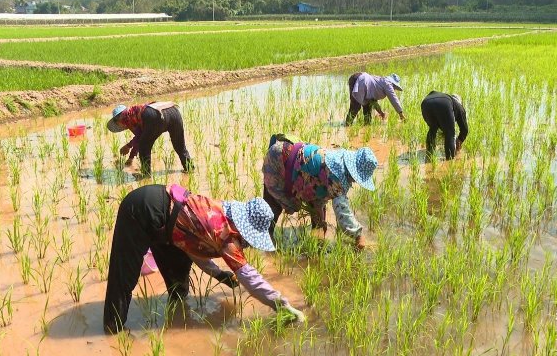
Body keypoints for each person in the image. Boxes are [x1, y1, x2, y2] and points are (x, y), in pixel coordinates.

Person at [103, 184, 305, 334]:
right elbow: (249, 278)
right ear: (244, 229)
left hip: (168, 226)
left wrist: (218, 274)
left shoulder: (223, 212)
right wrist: (281, 303)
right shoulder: (225, 233)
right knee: (124, 276)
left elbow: (193, 247)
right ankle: (113, 331)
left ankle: (176, 320)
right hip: (141, 209)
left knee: (178, 286)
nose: (248, 244)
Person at [262, 134, 377, 250]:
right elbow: (343, 213)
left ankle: (317, 244)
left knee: (318, 214)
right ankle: (265, 242)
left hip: (290, 153)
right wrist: (358, 235)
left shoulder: (339, 158)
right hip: (279, 159)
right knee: (273, 207)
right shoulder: (336, 178)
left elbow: (318, 189)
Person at [107, 101, 193, 177]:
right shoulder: (134, 112)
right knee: (180, 146)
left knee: (144, 147)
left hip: (154, 116)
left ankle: (145, 175)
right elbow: (140, 138)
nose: (121, 126)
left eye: (118, 124)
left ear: (117, 120)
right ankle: (189, 168)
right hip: (174, 112)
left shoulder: (126, 118)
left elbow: (139, 138)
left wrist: (128, 146)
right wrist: (131, 157)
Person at [420, 91, 468, 160]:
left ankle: (429, 155)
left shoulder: (447, 99)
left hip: (425, 103)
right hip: (443, 104)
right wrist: (459, 140)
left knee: (432, 129)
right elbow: (464, 129)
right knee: (450, 134)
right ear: (460, 102)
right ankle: (450, 161)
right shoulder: (459, 106)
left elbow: (442, 121)